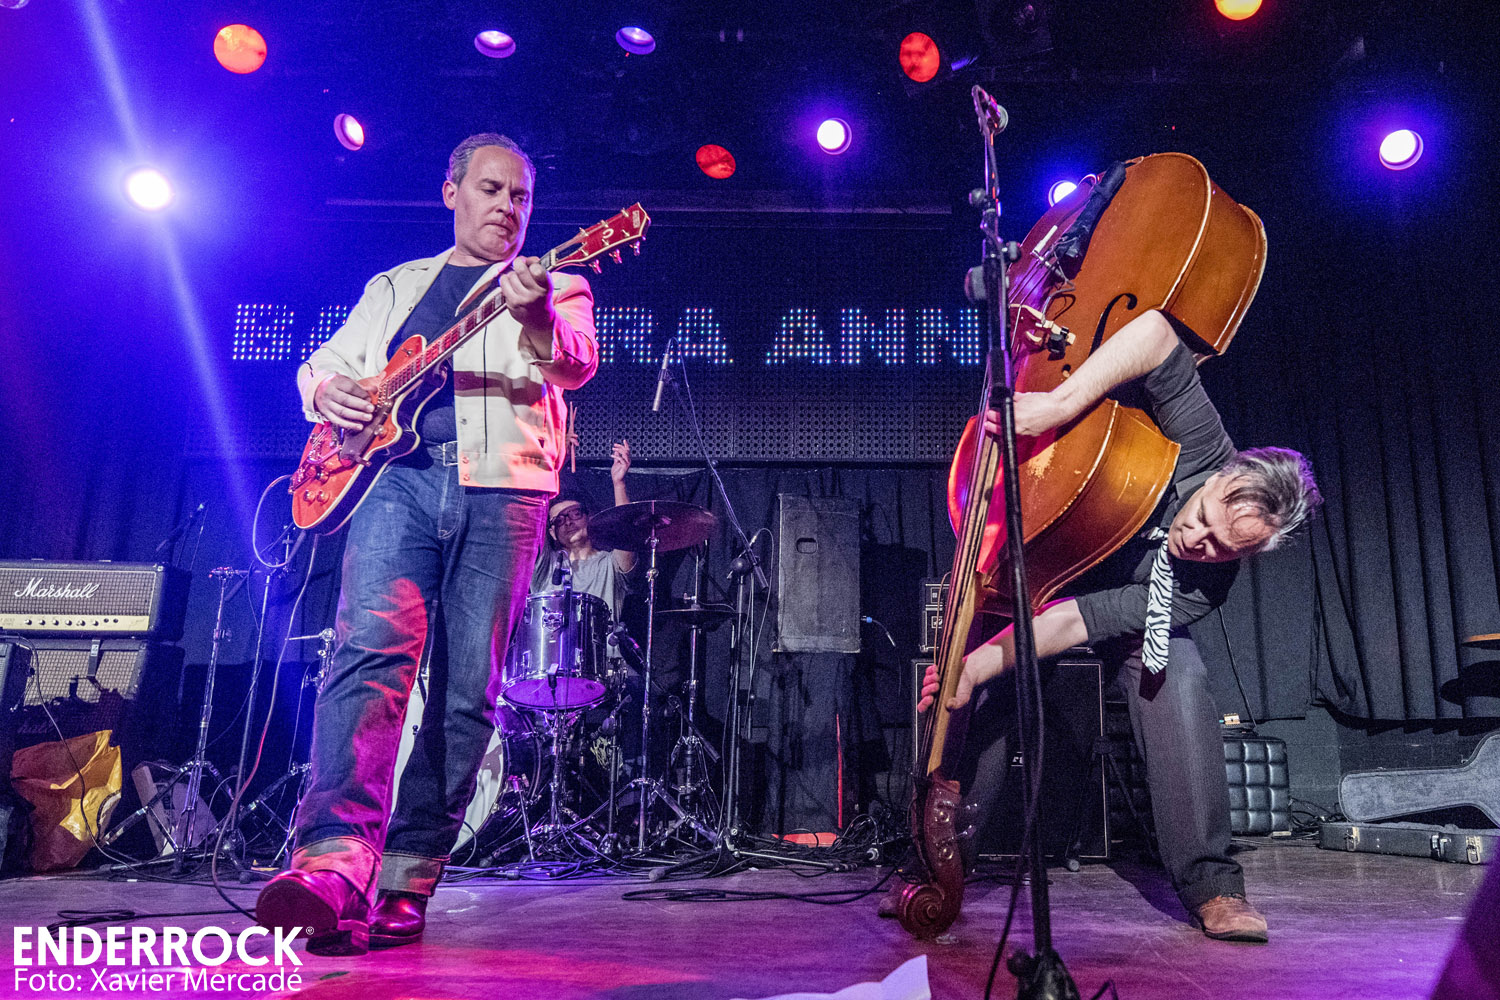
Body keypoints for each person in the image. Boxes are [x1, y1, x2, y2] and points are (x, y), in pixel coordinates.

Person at [255, 132, 597, 956]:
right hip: (395, 482)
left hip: (507, 488)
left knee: (467, 690)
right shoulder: (396, 285)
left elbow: (576, 365)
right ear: (452, 192)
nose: (507, 207)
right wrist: (330, 392)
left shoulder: (559, 283)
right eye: (491, 189)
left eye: (520, 196)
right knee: (366, 656)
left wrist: (536, 314)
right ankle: (334, 863)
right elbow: (323, 367)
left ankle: (408, 875)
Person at [915, 307, 1321, 943]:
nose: (1198, 542)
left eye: (1223, 548)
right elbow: (1156, 332)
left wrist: (981, 662)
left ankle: (1213, 884)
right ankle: (939, 874)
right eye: (1204, 519)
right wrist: (1059, 405)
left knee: (1175, 674)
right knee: (985, 685)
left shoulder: (1204, 584)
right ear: (1223, 476)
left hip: (1107, 610)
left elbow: (1085, 620)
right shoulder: (1206, 446)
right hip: (1052, 572)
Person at [530, 439, 638, 620]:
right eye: (559, 520)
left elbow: (625, 532)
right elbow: (531, 517)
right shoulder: (545, 565)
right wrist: (557, 462)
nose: (568, 522)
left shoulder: (608, 563)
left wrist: (619, 483)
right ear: (551, 532)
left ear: (589, 518)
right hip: (550, 640)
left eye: (575, 513)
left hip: (602, 640)